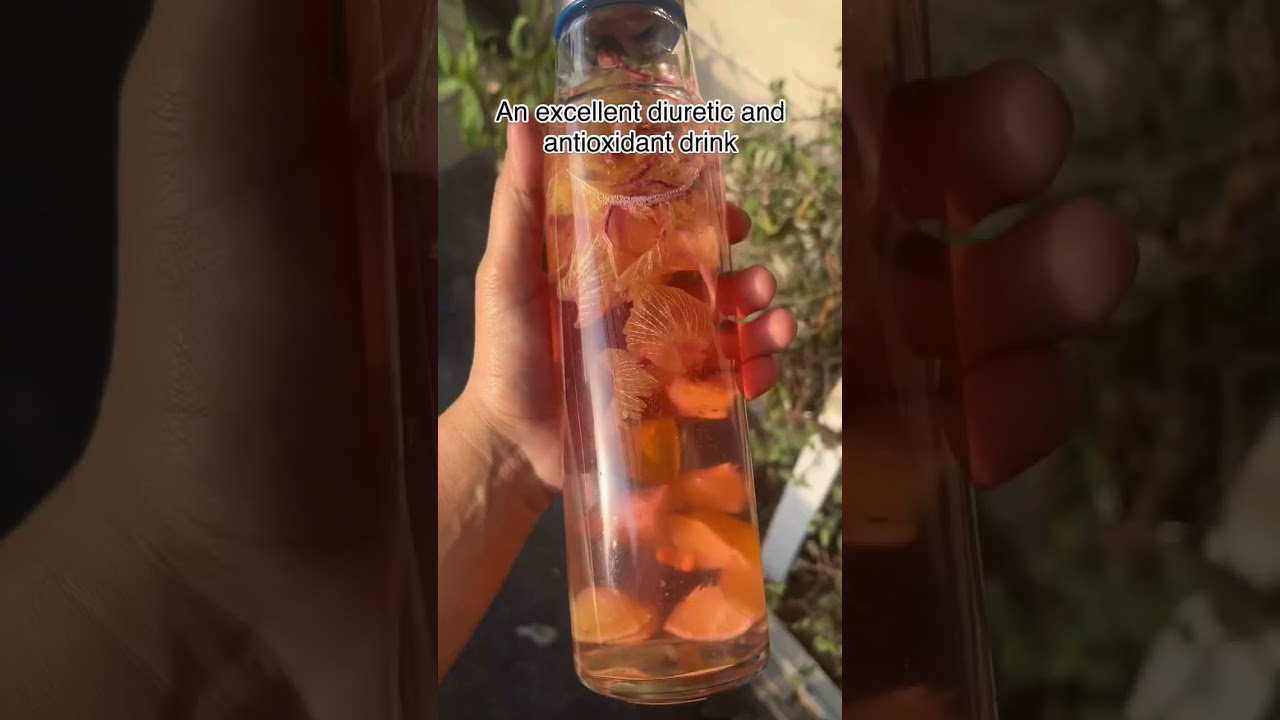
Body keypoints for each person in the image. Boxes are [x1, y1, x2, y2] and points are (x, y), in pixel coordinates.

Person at [0, 3, 1136, 719]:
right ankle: (657, 606)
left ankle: (710, 598)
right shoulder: (597, 127)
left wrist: (195, 590)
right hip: (594, 545)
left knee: (704, 391)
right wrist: (191, 578)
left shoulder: (665, 117)